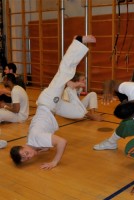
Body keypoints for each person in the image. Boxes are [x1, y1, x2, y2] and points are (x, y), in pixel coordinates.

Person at [9, 35, 96, 169]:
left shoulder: (36, 138)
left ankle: (78, 41)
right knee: (80, 113)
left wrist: (54, 162)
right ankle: (71, 87)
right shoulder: (33, 142)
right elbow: (42, 144)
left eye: (25, 153)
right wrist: (42, 149)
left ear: (23, 147)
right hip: (52, 107)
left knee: (65, 71)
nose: (29, 156)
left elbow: (62, 142)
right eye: (26, 159)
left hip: (48, 101)